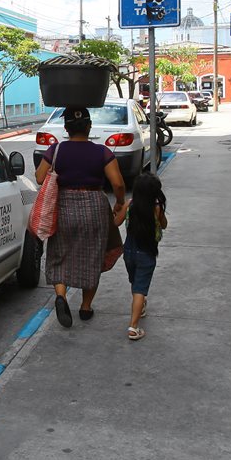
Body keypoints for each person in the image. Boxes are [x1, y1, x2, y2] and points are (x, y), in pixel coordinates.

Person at [35, 106, 127, 328]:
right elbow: (118, 183)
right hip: (94, 208)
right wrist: (120, 202)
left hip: (63, 207)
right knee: (92, 255)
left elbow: (39, 178)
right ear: (89, 126)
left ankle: (61, 296)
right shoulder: (102, 152)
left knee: (59, 253)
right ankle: (85, 307)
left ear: (65, 128)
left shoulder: (55, 150)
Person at [119, 173, 167, 341]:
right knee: (140, 289)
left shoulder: (129, 204)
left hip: (129, 253)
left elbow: (116, 222)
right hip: (147, 254)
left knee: (135, 282)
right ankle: (133, 327)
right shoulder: (156, 207)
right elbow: (164, 224)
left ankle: (141, 306)